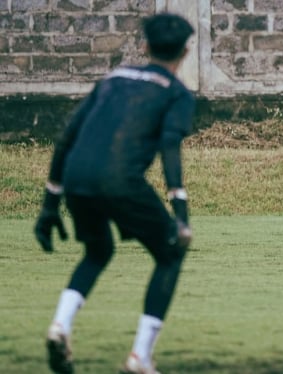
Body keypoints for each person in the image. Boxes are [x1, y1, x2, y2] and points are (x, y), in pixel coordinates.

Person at [34, 12, 195, 374]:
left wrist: (50, 205)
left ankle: (60, 326)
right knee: (170, 255)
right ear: (185, 52)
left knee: (98, 250)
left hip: (77, 178)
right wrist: (181, 215)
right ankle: (140, 357)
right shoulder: (177, 93)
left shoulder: (113, 78)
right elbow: (170, 146)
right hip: (120, 181)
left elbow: (66, 137)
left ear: (143, 46)